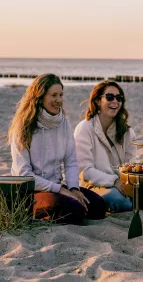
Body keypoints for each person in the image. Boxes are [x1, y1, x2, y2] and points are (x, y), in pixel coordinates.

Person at [9, 74, 106, 224]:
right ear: (40, 97)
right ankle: (37, 212)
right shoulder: (23, 127)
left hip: (57, 186)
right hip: (31, 191)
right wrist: (60, 189)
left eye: (61, 95)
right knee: (75, 211)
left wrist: (73, 188)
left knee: (98, 207)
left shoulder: (63, 122)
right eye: (53, 95)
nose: (59, 100)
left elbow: (71, 160)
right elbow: (24, 175)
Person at [74, 80, 135, 212]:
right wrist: (114, 181)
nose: (115, 101)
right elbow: (85, 171)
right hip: (92, 184)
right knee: (118, 200)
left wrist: (127, 184)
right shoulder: (84, 128)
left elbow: (130, 166)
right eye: (109, 97)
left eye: (119, 98)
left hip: (122, 184)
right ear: (97, 101)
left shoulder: (127, 132)